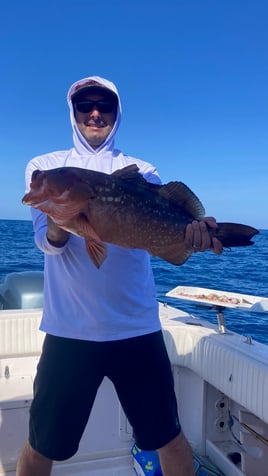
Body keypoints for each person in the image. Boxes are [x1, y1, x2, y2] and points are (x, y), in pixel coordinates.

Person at [16, 75, 222, 476]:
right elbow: (47, 244)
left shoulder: (142, 170)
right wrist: (64, 216)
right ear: (72, 112)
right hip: (69, 331)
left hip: (137, 328)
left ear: (116, 113)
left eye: (104, 105)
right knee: (42, 444)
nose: (95, 113)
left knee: (169, 438)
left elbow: (162, 229)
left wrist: (194, 236)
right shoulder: (44, 166)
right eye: (84, 105)